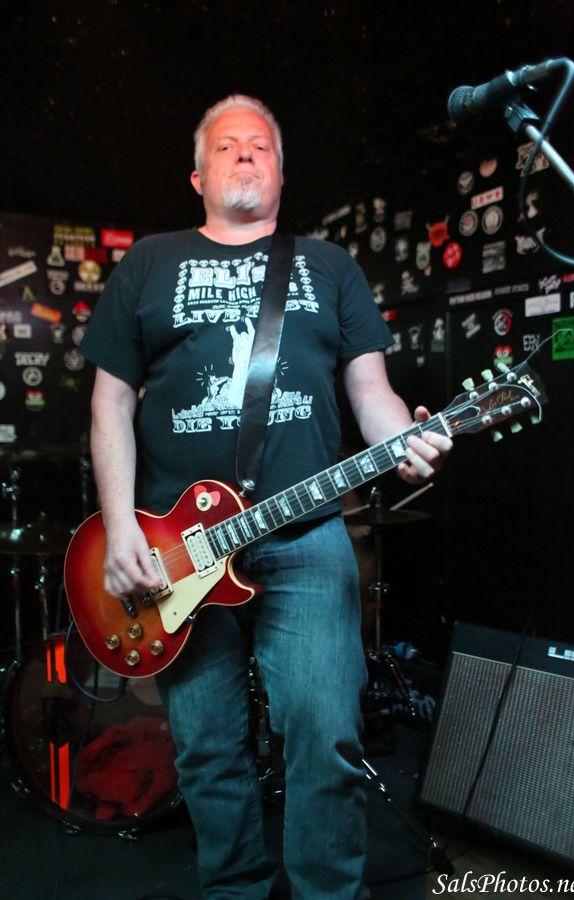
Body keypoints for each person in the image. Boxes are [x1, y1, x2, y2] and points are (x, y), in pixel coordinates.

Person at [80, 94, 452, 899]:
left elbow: (372, 392)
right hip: (174, 551)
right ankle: (235, 889)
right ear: (197, 175)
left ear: (281, 173)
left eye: (260, 145)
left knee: (325, 738)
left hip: (306, 535)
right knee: (208, 748)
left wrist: (408, 441)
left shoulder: (329, 266)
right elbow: (109, 403)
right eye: (226, 146)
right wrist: (118, 529)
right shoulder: (148, 263)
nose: (244, 153)